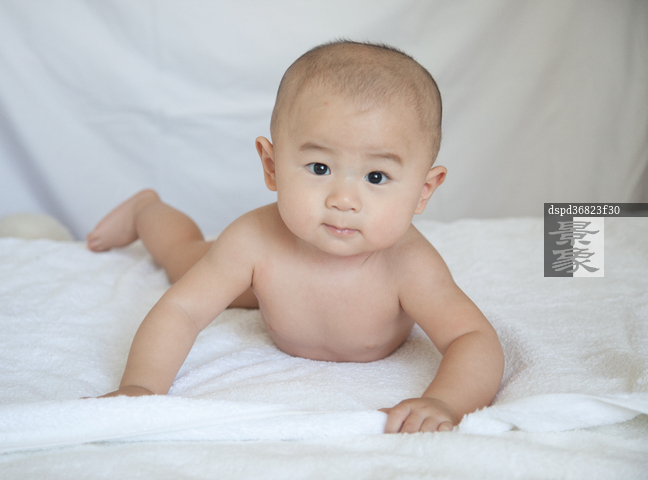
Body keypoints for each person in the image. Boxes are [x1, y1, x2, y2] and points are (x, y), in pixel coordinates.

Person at [87, 40, 504, 434]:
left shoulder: (409, 265)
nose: (343, 200)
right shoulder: (253, 241)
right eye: (320, 168)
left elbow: (472, 339)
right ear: (271, 166)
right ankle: (147, 210)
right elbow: (182, 310)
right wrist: (141, 386)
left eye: (376, 176)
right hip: (268, 275)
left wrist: (444, 402)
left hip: (275, 283)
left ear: (423, 191)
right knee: (183, 260)